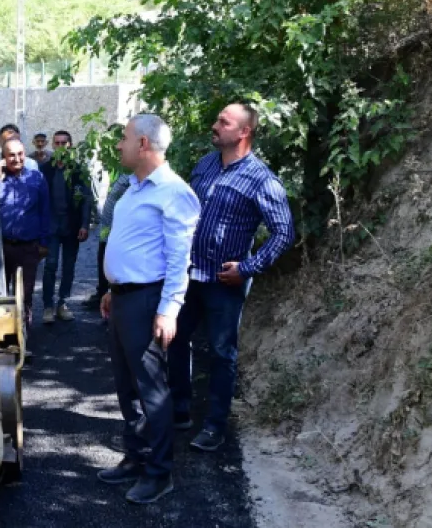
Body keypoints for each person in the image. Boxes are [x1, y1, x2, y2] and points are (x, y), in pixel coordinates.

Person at [169, 102, 294, 452]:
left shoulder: (261, 180)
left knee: (222, 352)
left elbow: (284, 232)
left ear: (244, 132)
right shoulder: (205, 165)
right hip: (190, 274)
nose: (215, 125)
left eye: (223, 122)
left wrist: (248, 269)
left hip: (225, 283)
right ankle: (180, 409)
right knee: (174, 338)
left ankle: (214, 425)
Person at [97, 114, 200, 505]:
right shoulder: (134, 189)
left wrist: (169, 310)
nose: (120, 145)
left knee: (152, 390)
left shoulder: (174, 192)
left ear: (143, 144)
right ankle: (136, 457)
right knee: (127, 386)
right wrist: (112, 288)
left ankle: (159, 473)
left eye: (124, 138)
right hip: (124, 299)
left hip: (147, 302)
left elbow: (179, 260)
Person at [0, 139, 50, 326]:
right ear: (3, 158)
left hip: (28, 247)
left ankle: (24, 337)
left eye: (20, 154)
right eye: (11, 155)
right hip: (1, 247)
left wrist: (44, 243)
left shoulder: (37, 178)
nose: (17, 159)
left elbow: (45, 211)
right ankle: (4, 340)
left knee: (24, 296)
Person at [40, 130, 93, 323]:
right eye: (57, 143)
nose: (61, 146)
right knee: (50, 266)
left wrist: (85, 224)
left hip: (71, 226)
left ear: (70, 146)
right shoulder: (45, 170)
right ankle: (47, 306)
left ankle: (62, 303)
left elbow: (87, 198)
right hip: (52, 226)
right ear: (53, 146)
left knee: (69, 267)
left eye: (65, 143)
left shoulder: (78, 170)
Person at [89, 171, 132, 306]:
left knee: (110, 262)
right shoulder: (123, 173)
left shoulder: (133, 177)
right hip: (106, 229)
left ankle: (109, 299)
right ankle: (102, 293)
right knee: (102, 261)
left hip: (115, 231)